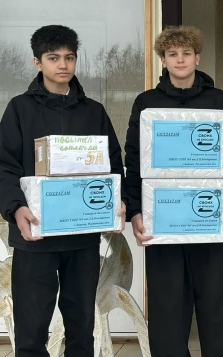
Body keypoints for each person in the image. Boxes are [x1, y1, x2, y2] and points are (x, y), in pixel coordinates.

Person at [124, 26, 223, 357]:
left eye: (186, 53)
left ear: (197, 58)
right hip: (163, 224)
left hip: (209, 221)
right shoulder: (147, 103)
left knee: (218, 307)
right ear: (163, 60)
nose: (179, 59)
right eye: (172, 54)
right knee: (167, 310)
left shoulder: (219, 102)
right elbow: (134, 160)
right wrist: (135, 211)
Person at [0, 24, 125, 356]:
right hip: (35, 236)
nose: (63, 64)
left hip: (82, 237)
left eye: (69, 57)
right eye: (53, 58)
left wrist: (118, 201)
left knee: (81, 329)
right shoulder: (19, 109)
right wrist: (15, 207)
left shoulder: (93, 112)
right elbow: (4, 166)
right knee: (31, 332)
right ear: (37, 62)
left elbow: (113, 165)